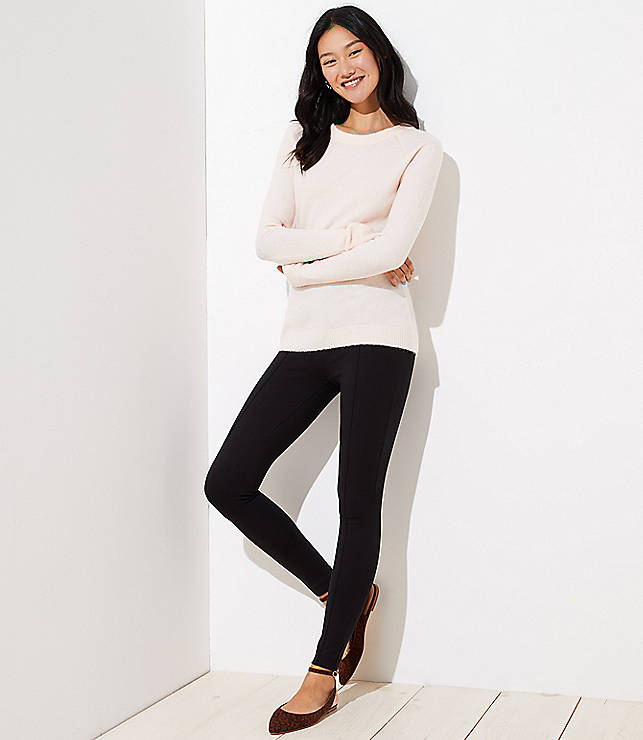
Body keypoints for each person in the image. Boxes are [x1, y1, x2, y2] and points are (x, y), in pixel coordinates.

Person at [204, 6, 443, 734]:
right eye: (328, 59)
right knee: (227, 481)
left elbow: (391, 251)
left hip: (380, 339)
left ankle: (321, 672)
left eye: (354, 51)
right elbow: (265, 239)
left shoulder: (418, 149)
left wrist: (306, 264)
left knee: (356, 502)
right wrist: (353, 239)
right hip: (305, 339)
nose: (344, 69)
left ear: (379, 55)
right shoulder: (300, 139)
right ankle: (341, 591)